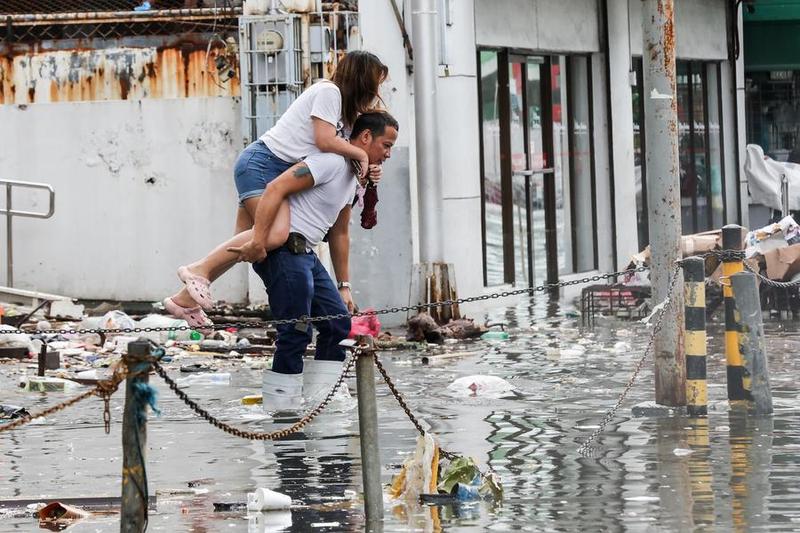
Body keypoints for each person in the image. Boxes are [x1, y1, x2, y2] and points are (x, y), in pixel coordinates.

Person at [163, 51, 388, 326]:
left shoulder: (346, 115)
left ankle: (183, 300)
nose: (377, 91)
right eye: (376, 83)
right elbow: (324, 140)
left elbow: (344, 150)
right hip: (263, 163)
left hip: (273, 168)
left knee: (244, 242)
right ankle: (197, 269)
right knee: (275, 233)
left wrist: (368, 167)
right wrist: (362, 155)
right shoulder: (329, 93)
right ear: (362, 79)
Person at [227, 111, 398, 411]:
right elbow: (275, 188)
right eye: (386, 145)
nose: (388, 154)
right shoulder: (329, 161)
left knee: (337, 324)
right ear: (366, 137)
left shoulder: (353, 179)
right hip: (284, 250)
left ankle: (324, 401)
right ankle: (283, 413)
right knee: (295, 331)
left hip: (306, 254)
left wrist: (344, 286)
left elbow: (340, 233)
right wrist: (257, 238)